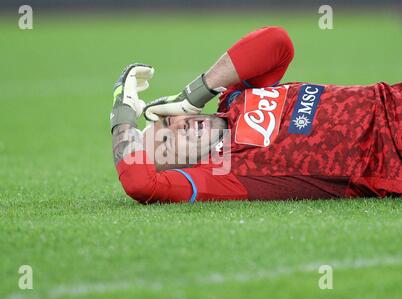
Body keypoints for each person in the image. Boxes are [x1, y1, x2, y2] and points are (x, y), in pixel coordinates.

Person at [110, 27, 401, 203]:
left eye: (168, 122)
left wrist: (196, 93)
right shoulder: (222, 174)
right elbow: (140, 183)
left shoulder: (233, 95)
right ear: (181, 168)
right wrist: (122, 114)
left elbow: (277, 42)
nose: (176, 129)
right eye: (168, 146)